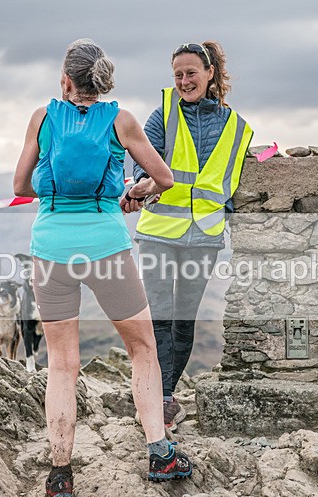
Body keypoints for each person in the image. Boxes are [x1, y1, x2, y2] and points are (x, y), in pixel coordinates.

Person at [12, 38, 193, 497]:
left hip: (50, 249)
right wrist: (136, 190)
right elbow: (166, 179)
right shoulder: (122, 119)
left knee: (62, 364)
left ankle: (60, 475)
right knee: (142, 348)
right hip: (107, 246)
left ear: (65, 80)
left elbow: (19, 185)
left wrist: (57, 190)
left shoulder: (42, 117)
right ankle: (159, 453)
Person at [121, 41, 253, 430]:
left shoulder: (237, 127)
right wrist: (142, 183)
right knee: (158, 317)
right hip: (160, 231)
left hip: (204, 235)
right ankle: (160, 398)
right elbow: (141, 159)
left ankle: (165, 391)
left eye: (191, 73)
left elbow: (232, 182)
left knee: (184, 320)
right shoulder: (163, 113)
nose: (183, 81)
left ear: (210, 73)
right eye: (177, 74)